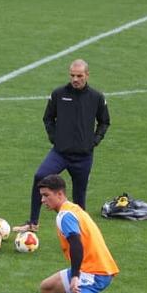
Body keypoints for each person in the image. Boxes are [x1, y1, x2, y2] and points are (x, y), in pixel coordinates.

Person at [15, 59, 110, 233]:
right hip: (60, 154)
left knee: (79, 198)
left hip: (83, 157)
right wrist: (54, 138)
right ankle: (33, 223)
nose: (75, 79)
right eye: (72, 75)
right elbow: (48, 118)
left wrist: (95, 141)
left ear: (87, 75)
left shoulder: (96, 97)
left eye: (79, 76)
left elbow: (104, 122)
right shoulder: (59, 94)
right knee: (40, 177)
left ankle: (81, 231)